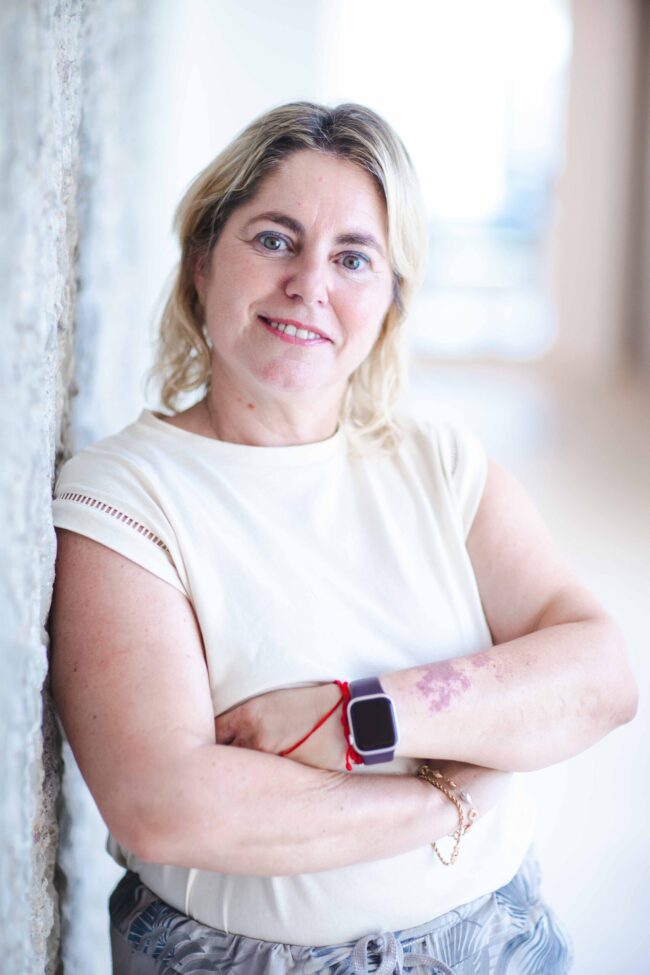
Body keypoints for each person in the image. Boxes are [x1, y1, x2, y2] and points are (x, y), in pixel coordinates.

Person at [50, 101, 637, 975]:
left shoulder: (440, 464)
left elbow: (600, 675)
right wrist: (444, 800)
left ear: (391, 302)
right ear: (203, 261)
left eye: (353, 257)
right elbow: (164, 805)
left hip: (496, 938)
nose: (309, 284)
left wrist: (356, 719)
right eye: (275, 240)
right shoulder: (124, 496)